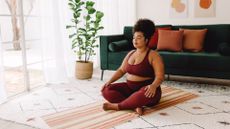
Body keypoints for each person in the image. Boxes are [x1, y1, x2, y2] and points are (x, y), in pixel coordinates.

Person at [101, 19, 165, 115]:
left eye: (138, 38)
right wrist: (109, 81)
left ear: (146, 40)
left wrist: (153, 86)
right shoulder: (130, 53)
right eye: (134, 37)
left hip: (148, 90)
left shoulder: (153, 55)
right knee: (106, 90)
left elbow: (160, 77)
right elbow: (121, 70)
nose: (135, 40)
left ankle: (118, 106)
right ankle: (134, 105)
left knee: (143, 94)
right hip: (129, 89)